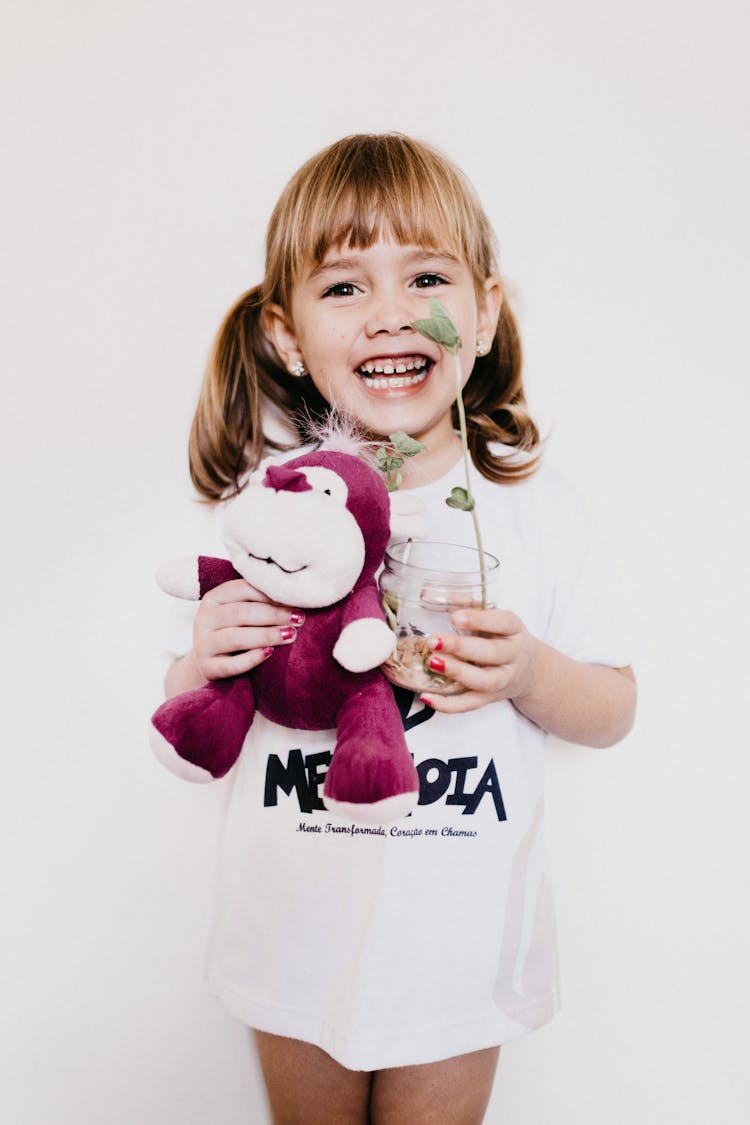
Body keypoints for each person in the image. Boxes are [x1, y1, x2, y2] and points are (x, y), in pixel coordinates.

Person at [160, 133, 638, 1124]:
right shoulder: (268, 510)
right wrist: (204, 660)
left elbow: (613, 708)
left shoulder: (537, 514)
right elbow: (190, 722)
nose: (388, 313)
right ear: (287, 337)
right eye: (343, 288)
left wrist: (531, 674)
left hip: (458, 956)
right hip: (292, 936)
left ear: (484, 312)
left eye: (425, 275)